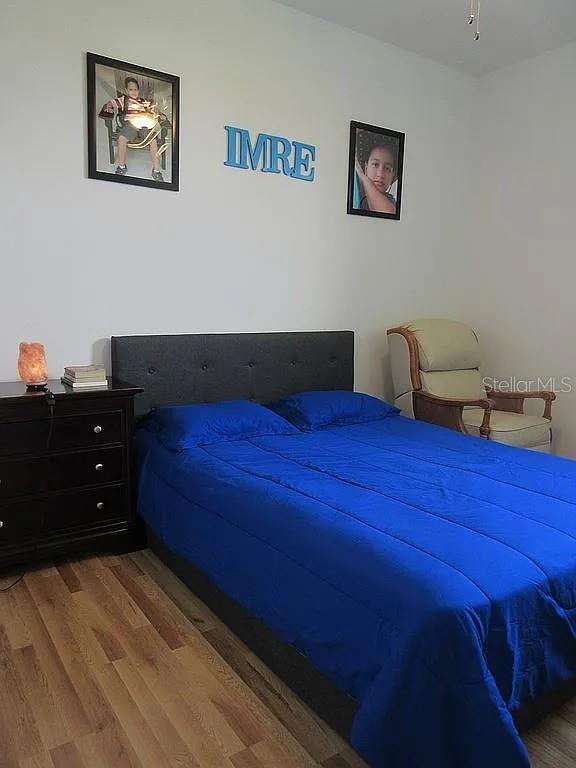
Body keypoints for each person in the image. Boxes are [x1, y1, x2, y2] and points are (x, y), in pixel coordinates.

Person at [99, 77, 165, 182]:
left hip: (144, 125)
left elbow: (154, 111)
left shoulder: (144, 102)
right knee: (121, 138)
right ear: (126, 90)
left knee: (153, 140)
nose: (133, 92)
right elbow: (111, 103)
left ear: (138, 91)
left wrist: (156, 112)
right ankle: (121, 166)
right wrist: (108, 107)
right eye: (131, 89)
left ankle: (156, 170)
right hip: (131, 125)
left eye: (135, 90)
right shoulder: (124, 100)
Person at [355, 139, 397, 215]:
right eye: (375, 164)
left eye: (387, 168)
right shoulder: (356, 191)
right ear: (366, 168)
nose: (380, 174)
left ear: (392, 175)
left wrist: (363, 177)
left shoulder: (391, 202)